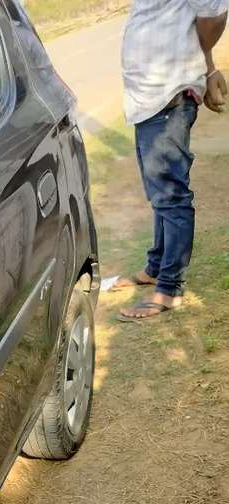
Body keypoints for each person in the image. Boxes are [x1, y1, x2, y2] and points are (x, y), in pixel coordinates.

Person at [115, 0, 228, 321]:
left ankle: (169, 289)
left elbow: (214, 12)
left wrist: (204, 67)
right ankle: (156, 268)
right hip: (148, 99)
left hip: (167, 96)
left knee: (170, 196)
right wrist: (208, 67)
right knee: (160, 195)